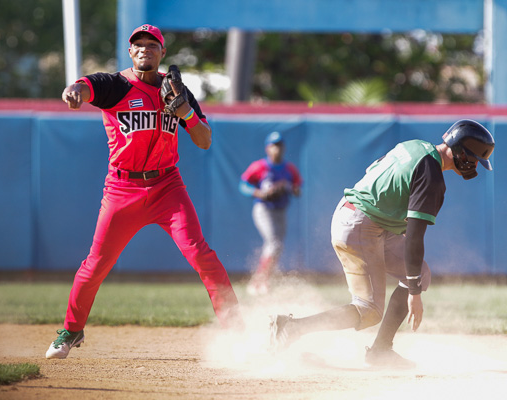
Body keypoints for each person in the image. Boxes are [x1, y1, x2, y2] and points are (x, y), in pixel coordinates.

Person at [46, 24, 241, 359]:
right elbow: (86, 86)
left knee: (201, 254)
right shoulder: (115, 85)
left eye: (152, 45)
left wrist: (185, 113)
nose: (145, 49)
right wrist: (74, 90)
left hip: (167, 186)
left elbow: (205, 140)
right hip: (123, 188)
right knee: (95, 265)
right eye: (139, 45)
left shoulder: (175, 88)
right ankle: (71, 331)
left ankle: (238, 331)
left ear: (162, 52)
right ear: (130, 50)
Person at [270, 119, 495, 368]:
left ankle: (380, 351)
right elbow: (415, 238)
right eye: (474, 159)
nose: (474, 165)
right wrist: (414, 294)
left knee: (421, 273)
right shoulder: (432, 178)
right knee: (370, 310)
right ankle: (293, 327)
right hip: (362, 225)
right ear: (462, 153)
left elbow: (372, 170)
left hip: (363, 218)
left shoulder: (415, 146)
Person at [239, 132, 302, 295]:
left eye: (280, 144)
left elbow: (298, 189)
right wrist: (259, 193)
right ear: (268, 148)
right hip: (264, 209)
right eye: (274, 145)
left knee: (277, 247)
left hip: (281, 210)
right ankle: (260, 282)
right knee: (274, 244)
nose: (277, 148)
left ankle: (261, 281)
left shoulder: (289, 169)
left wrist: (290, 189)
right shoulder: (260, 166)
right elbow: (243, 185)